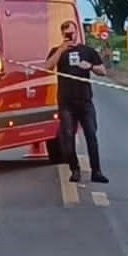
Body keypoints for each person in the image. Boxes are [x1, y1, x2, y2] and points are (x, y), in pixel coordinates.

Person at [45, 19, 108, 184]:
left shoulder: (87, 51)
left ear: (77, 32)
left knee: (91, 135)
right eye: (66, 33)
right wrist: (61, 50)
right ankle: (75, 169)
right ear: (62, 34)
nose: (70, 36)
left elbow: (103, 71)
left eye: (72, 33)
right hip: (66, 101)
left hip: (85, 100)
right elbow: (47, 67)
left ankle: (97, 171)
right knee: (67, 135)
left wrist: (90, 67)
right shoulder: (57, 51)